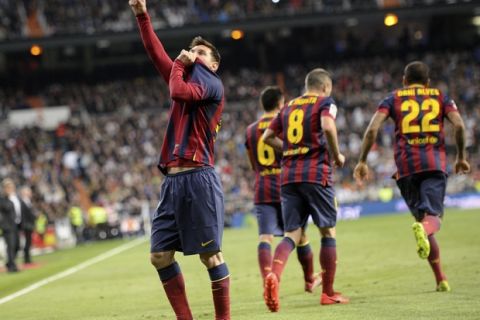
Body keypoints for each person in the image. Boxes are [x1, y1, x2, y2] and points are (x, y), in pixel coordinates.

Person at [130, 1, 230, 319]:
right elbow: (155, 52)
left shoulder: (212, 84)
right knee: (159, 255)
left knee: (211, 256)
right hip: (173, 182)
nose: (192, 54)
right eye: (191, 50)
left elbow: (177, 91)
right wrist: (142, 15)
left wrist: (178, 64)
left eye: (200, 53)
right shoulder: (185, 77)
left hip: (199, 177)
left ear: (213, 65)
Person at [353, 61, 470, 292]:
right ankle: (425, 233)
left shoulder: (392, 98)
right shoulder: (439, 97)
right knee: (432, 219)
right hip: (433, 163)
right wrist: (461, 156)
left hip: (405, 167)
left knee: (422, 221)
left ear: (404, 81)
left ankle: (440, 279)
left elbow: (373, 129)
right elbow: (459, 126)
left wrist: (363, 160)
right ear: (427, 82)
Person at [262, 69, 349, 311]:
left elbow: (268, 137)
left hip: (289, 177)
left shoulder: (288, 107)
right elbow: (328, 127)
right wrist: (336, 154)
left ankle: (274, 277)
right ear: (326, 87)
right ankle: (328, 293)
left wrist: (290, 149)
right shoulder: (325, 102)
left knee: (292, 234)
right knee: (327, 233)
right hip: (315, 174)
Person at [245, 86, 321, 291]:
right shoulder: (283, 124)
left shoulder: (250, 130)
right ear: (281, 103)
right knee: (299, 235)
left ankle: (267, 280)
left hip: (262, 188)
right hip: (286, 186)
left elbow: (253, 165)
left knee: (265, 237)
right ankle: (309, 280)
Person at [0, 179, 19, 272]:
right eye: (8, 188)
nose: (10, 189)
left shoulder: (13, 198)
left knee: (16, 246)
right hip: (7, 226)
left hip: (14, 225)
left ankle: (9, 263)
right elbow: (6, 208)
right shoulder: (2, 199)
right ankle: (12, 266)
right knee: (10, 246)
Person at [19, 186, 36, 264]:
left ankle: (28, 258)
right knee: (27, 241)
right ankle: (26, 258)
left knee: (29, 241)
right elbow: (23, 215)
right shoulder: (22, 202)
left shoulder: (28, 201)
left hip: (29, 224)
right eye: (28, 192)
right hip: (26, 225)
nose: (30, 193)